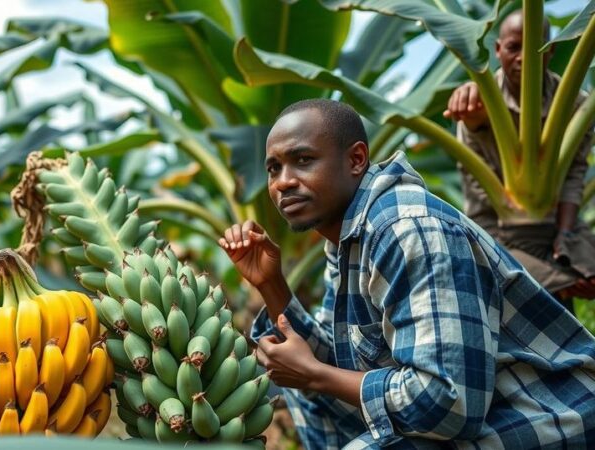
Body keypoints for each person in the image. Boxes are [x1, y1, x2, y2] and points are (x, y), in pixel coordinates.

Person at [219, 98, 595, 449]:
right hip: (488, 415)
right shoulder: (348, 240)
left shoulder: (407, 230)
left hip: (545, 416)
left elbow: (447, 403)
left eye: (303, 160)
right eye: (274, 168)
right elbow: (339, 362)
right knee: (311, 399)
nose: (283, 181)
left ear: (356, 160)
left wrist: (315, 375)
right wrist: (270, 284)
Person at [443, 10, 595, 304]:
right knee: (551, 285)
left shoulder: (577, 105)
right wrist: (474, 122)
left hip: (560, 222)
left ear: (550, 49)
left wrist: (565, 236)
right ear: (498, 50)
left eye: (535, 47)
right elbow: (477, 186)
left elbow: (574, 174)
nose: (524, 58)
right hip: (495, 229)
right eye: (514, 48)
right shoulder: (478, 102)